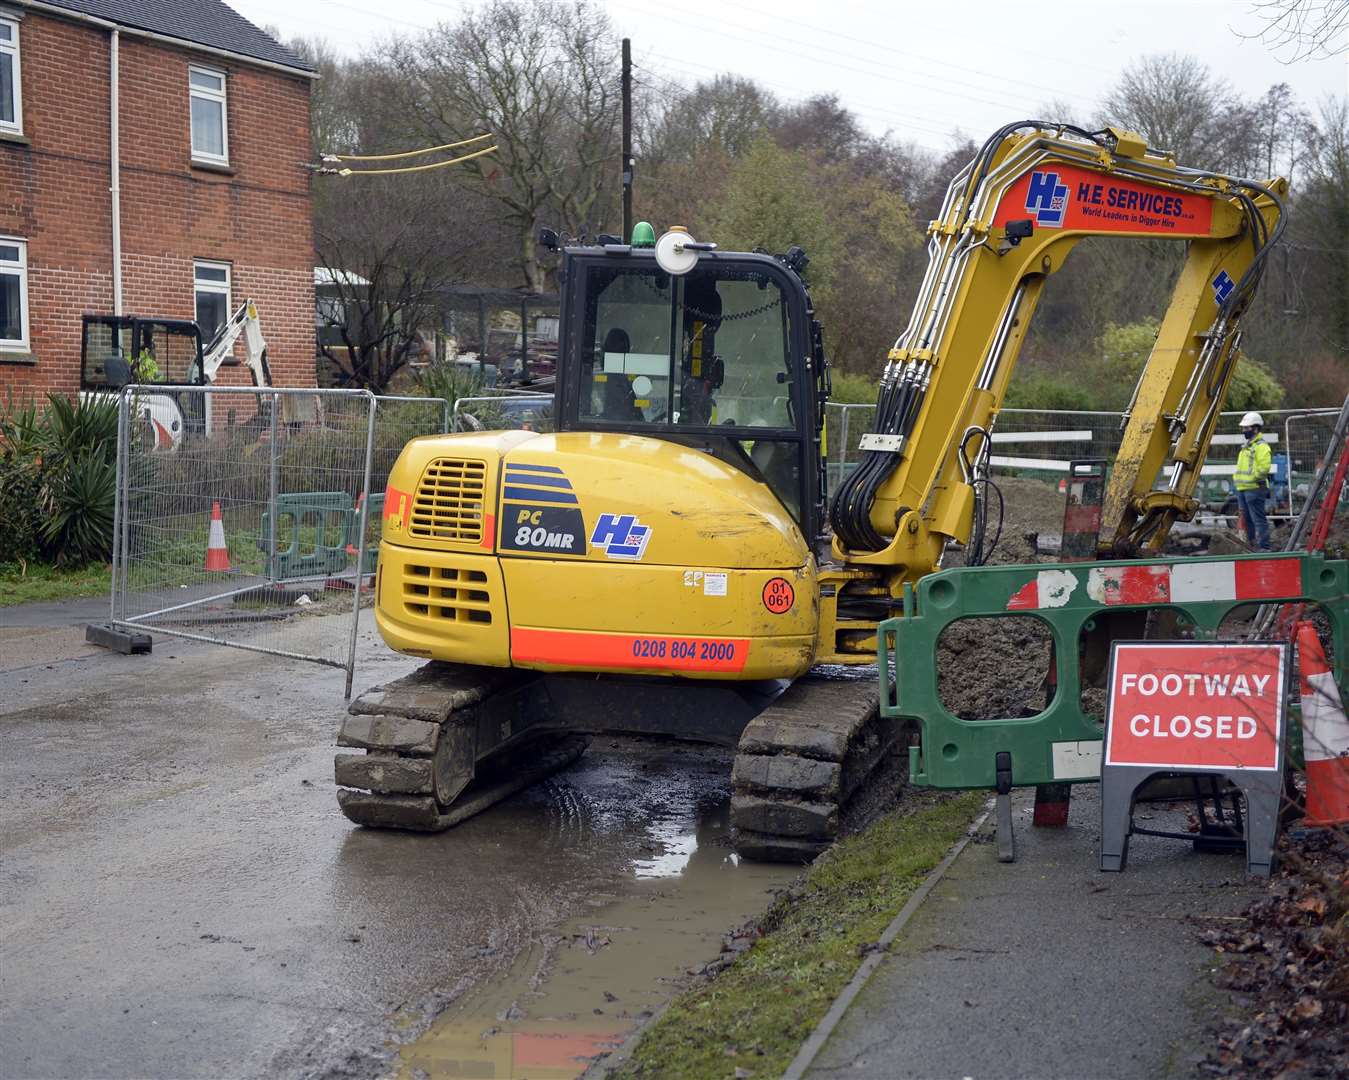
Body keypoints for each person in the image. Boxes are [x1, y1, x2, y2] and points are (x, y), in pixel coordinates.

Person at [1234, 411, 1273, 551]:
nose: (1244, 431)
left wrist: (1253, 479)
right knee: (1248, 520)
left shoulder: (1261, 446)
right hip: (1244, 489)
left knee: (1258, 519)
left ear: (1255, 428)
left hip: (1255, 488)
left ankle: (1264, 547)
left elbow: (1263, 468)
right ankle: (1251, 546)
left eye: (1246, 428)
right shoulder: (1247, 446)